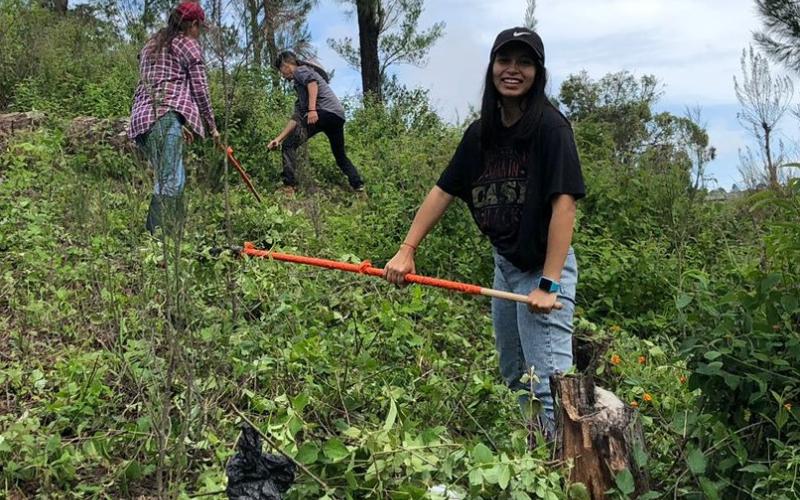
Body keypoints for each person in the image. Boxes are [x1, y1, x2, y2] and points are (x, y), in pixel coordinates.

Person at [383, 28, 585, 438]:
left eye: (524, 62)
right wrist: (407, 249)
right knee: (514, 374)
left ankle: (564, 471)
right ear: (492, 68)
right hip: (506, 264)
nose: (513, 70)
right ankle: (534, 455)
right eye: (504, 61)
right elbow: (442, 191)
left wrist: (548, 284)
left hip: (543, 269)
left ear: (538, 72)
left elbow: (564, 207)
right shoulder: (481, 134)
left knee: (549, 385)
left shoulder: (551, 128)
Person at [129, 1, 220, 235]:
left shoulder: (152, 44)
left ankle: (173, 235)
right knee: (171, 180)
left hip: (142, 120)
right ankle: (158, 237)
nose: (199, 34)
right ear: (194, 24)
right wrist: (212, 127)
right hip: (164, 117)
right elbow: (200, 89)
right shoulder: (187, 44)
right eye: (199, 29)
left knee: (169, 177)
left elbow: (159, 82)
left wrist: (181, 124)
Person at [267, 51, 364, 194]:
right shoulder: (301, 91)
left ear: (286, 65)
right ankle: (358, 186)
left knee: (289, 144)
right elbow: (296, 118)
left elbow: (312, 84)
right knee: (340, 156)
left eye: (281, 70)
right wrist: (278, 139)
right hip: (337, 116)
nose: (282, 75)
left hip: (322, 113)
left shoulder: (300, 71)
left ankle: (289, 187)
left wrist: (312, 110)